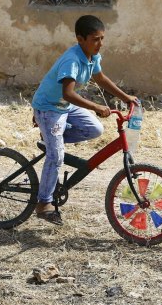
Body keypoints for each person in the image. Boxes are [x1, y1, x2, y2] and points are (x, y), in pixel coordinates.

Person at [31, 14, 137, 225]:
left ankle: (51, 140)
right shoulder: (72, 60)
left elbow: (100, 78)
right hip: (49, 108)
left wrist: (125, 97)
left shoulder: (93, 56)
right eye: (95, 39)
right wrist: (96, 106)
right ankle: (43, 203)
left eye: (102, 38)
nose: (100, 44)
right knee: (57, 156)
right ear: (80, 39)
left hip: (64, 107)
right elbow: (68, 93)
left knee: (95, 129)